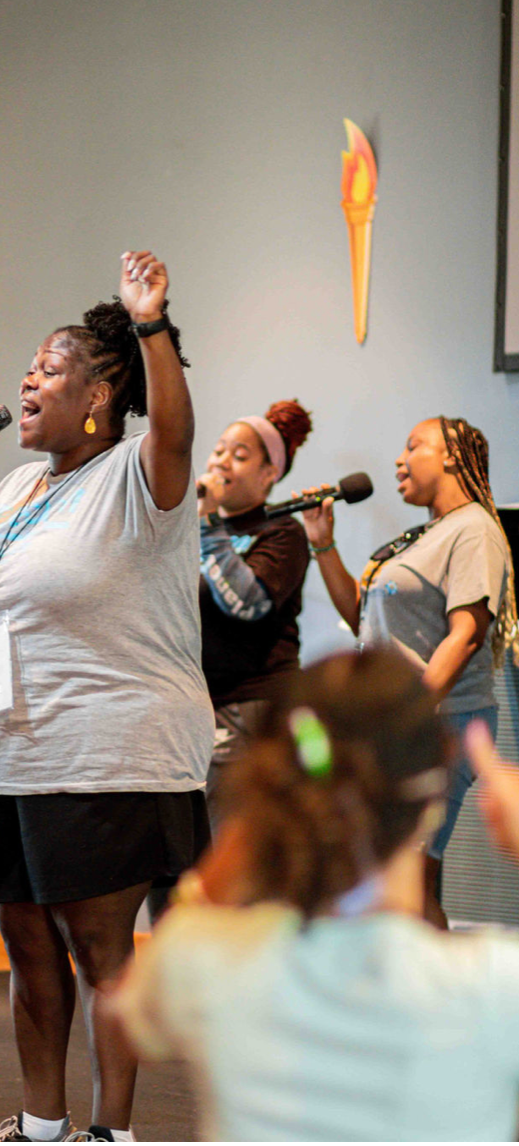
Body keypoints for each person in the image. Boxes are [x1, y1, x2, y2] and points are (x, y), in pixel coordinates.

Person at [0, 251, 214, 1143]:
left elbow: (177, 430)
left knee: (99, 948)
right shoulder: (14, 488)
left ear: (99, 395)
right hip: (16, 751)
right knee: (29, 945)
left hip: (113, 749)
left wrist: (150, 323)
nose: (27, 382)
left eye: (46, 369)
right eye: (29, 369)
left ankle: (113, 1132)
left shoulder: (139, 477)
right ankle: (43, 1125)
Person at [113, 647, 519, 1142]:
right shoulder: (494, 986)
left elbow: (132, 1017)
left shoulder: (211, 961)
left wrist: (248, 830)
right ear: (434, 798)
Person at [300, 415, 516, 926]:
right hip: (405, 723)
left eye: (413, 446)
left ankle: (435, 978)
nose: (399, 460)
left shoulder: (473, 529)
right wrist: (322, 542)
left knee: (407, 882)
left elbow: (466, 635)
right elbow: (362, 615)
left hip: (438, 723)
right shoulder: (425, 535)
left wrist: (405, 714)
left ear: (451, 456)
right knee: (390, 880)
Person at [196, 401, 312, 828]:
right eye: (219, 450)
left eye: (240, 455)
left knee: (229, 842)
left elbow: (247, 601)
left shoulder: (282, 532)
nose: (221, 461)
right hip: (197, 707)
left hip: (250, 707)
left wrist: (208, 525)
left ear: (269, 474)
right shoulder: (197, 528)